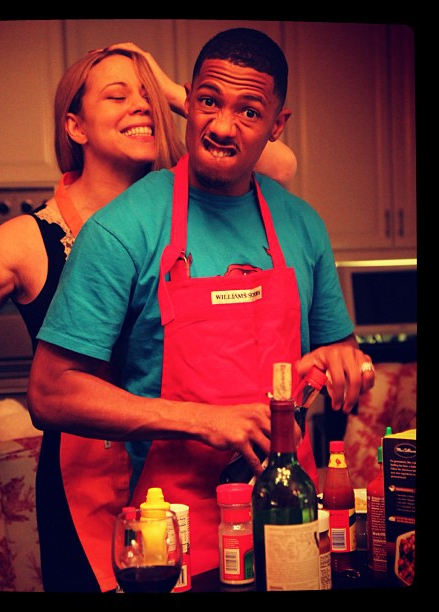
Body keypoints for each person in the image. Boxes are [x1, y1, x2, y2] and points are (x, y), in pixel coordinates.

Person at [0, 44, 297, 592]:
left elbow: (279, 162)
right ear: (75, 126)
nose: (142, 106)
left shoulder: (191, 209)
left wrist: (174, 91)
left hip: (186, 479)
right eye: (118, 96)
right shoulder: (29, 240)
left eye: (148, 97)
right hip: (84, 488)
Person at [29, 27, 376, 592]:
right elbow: (50, 392)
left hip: (288, 523)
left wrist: (344, 364)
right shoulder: (122, 229)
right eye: (210, 101)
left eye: (248, 112)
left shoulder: (303, 226)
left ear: (277, 125)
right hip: (169, 535)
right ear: (187, 102)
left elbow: (338, 348)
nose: (221, 126)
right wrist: (206, 420)